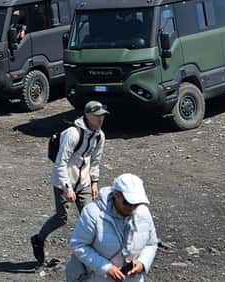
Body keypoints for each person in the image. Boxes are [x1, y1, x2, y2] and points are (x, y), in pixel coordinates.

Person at [31, 100, 108, 265]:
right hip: (63, 181)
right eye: (97, 116)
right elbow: (60, 163)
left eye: (102, 116)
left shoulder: (99, 135)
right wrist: (67, 187)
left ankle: (90, 258)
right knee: (62, 217)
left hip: (84, 183)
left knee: (90, 217)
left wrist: (94, 181)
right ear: (87, 115)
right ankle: (38, 239)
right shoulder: (72, 133)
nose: (101, 119)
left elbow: (95, 161)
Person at [67, 174, 158, 281]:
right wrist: (106, 268)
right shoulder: (93, 213)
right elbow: (79, 245)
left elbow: (151, 244)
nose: (132, 207)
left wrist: (142, 263)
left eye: (137, 203)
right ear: (116, 195)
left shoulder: (143, 212)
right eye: (128, 202)